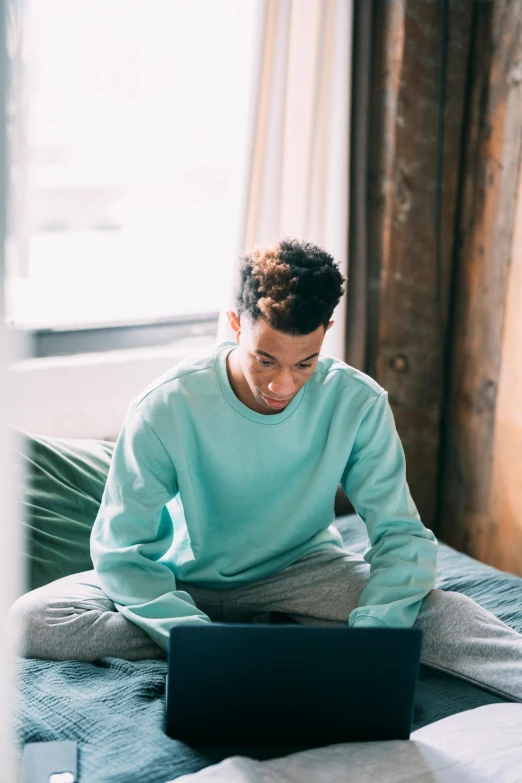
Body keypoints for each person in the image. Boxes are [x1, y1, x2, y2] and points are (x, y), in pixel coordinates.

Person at [8, 238, 522, 700]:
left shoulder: (358, 403)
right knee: (32, 621)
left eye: (305, 363)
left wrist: (373, 640)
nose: (283, 385)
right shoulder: (165, 407)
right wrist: (198, 641)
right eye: (266, 360)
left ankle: (272, 632)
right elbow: (121, 553)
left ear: (326, 332)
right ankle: (261, 637)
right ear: (235, 325)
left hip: (301, 572)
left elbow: (401, 537)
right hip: (187, 581)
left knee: (440, 612)